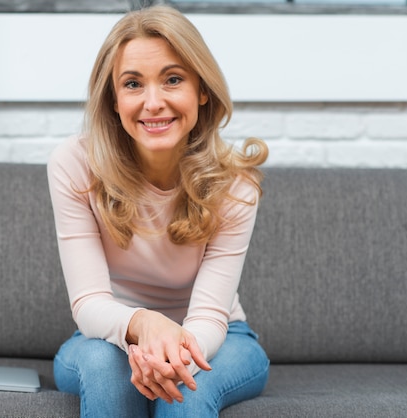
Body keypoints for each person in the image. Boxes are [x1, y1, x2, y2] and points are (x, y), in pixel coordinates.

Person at [47, 5, 270, 417]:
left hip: (216, 336)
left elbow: (207, 316)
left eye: (172, 79)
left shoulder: (235, 185)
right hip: (110, 340)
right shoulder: (74, 164)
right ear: (113, 99)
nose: (154, 102)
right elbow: (90, 303)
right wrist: (144, 326)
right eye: (133, 84)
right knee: (104, 369)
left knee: (188, 386)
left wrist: (169, 351)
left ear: (202, 89)